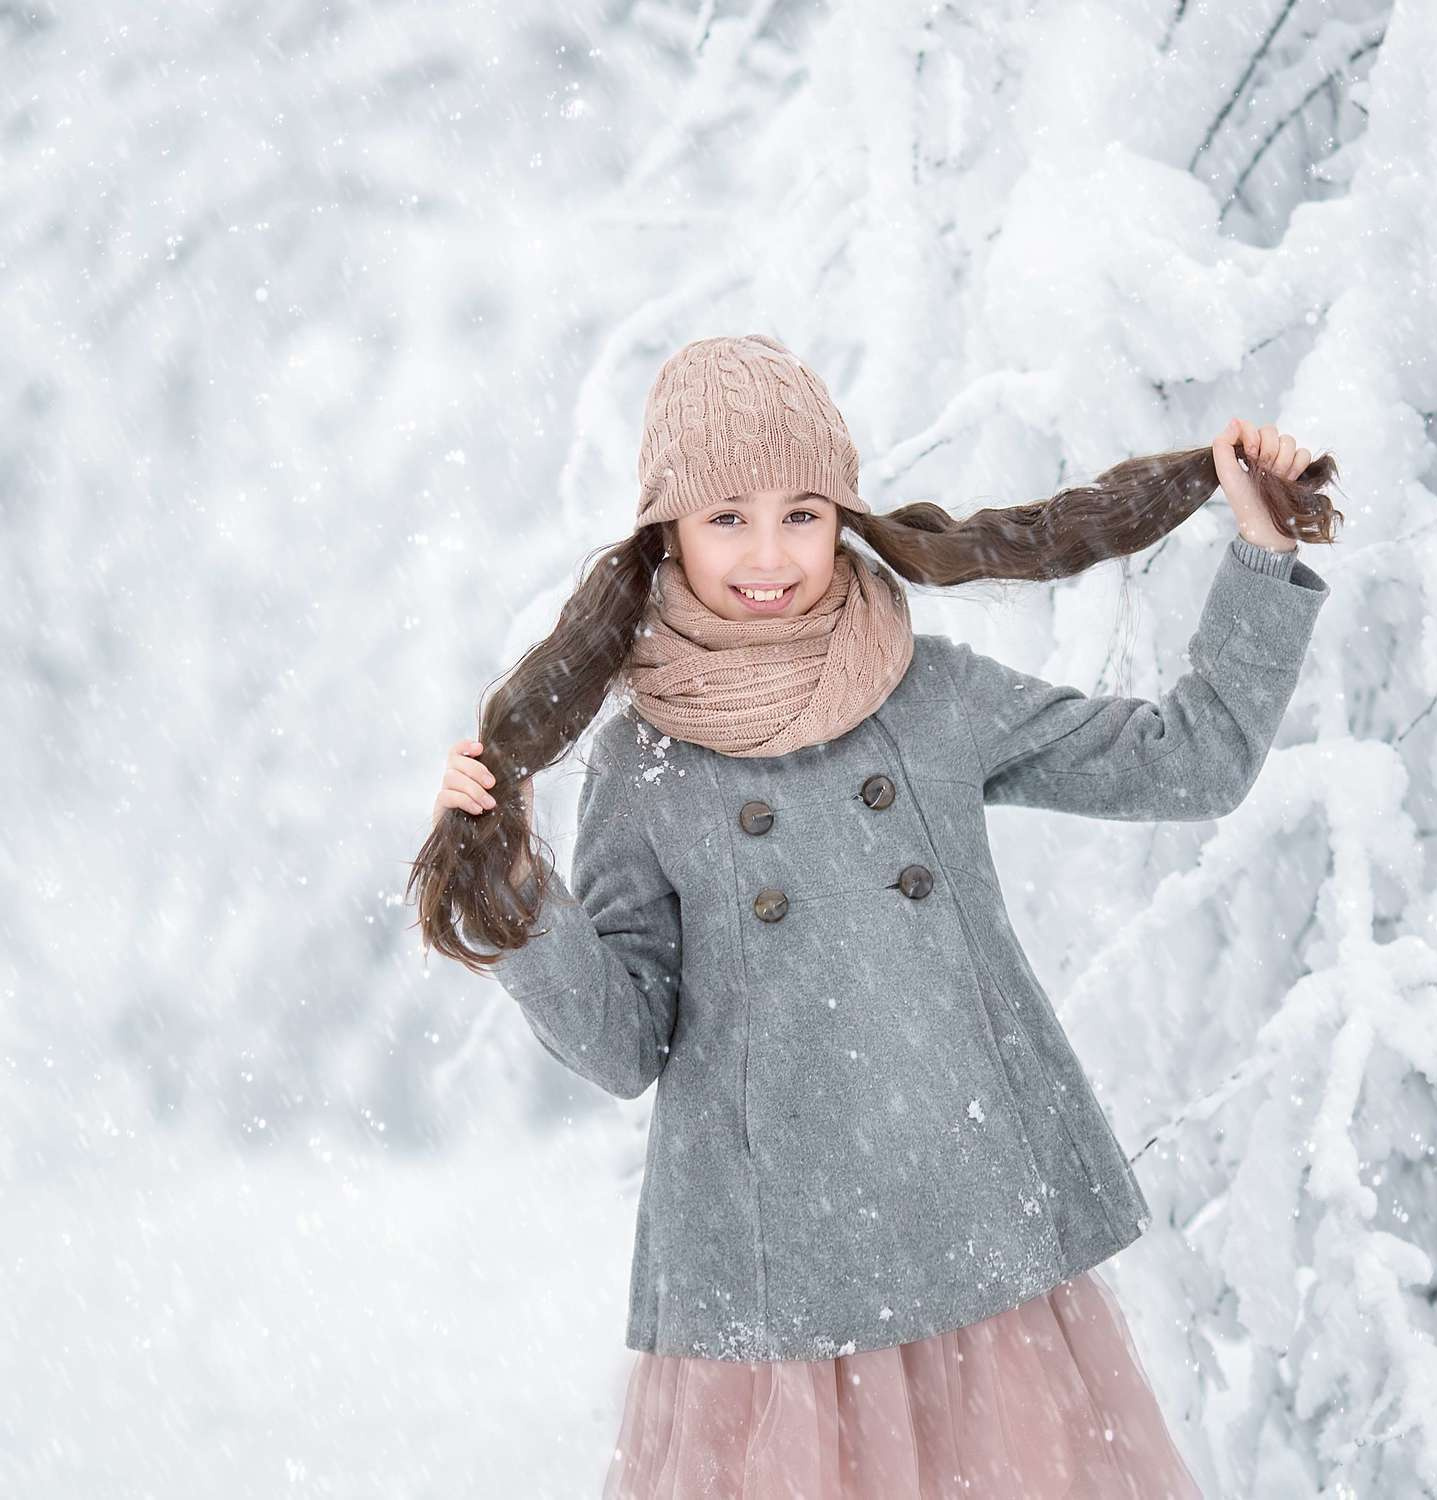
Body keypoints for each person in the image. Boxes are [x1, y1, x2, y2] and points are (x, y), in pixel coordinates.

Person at [410, 333, 1340, 1498]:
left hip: (978, 1261)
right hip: (776, 1304)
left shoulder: (929, 694)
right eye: (725, 518)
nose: (767, 556)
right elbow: (619, 1044)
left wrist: (1257, 553)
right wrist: (511, 889)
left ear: (843, 517)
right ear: (667, 534)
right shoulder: (645, 763)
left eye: (801, 514)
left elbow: (1186, 765)